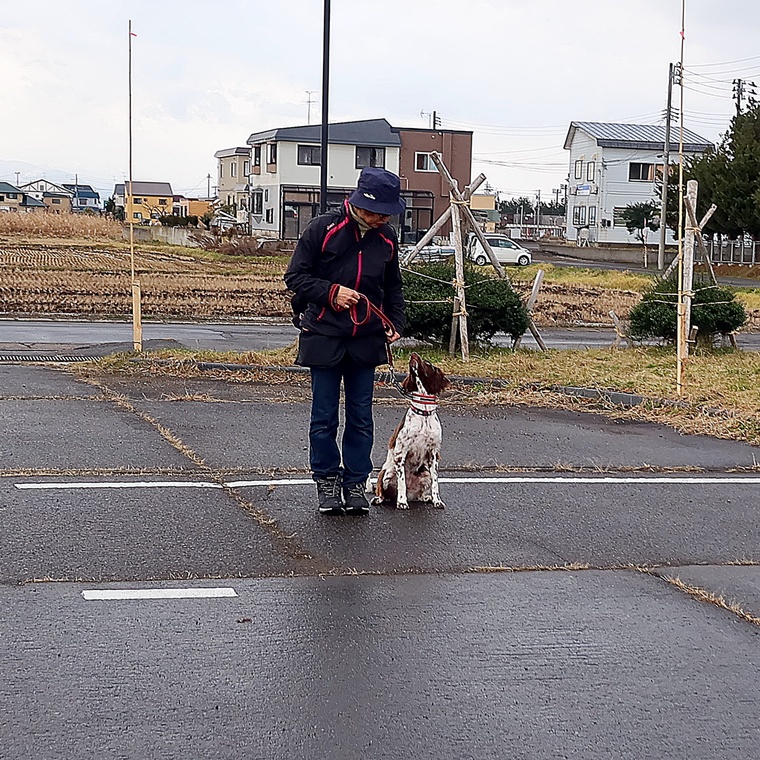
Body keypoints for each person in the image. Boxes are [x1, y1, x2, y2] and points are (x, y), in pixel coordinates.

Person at [284, 168, 407, 516]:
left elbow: (393, 286)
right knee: (324, 416)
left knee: (361, 416)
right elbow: (295, 277)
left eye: (389, 212)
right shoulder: (322, 229)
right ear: (361, 205)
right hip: (323, 335)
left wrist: (396, 322)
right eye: (381, 212)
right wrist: (331, 293)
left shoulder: (387, 237)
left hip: (366, 339)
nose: (386, 218)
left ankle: (355, 482)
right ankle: (326, 480)